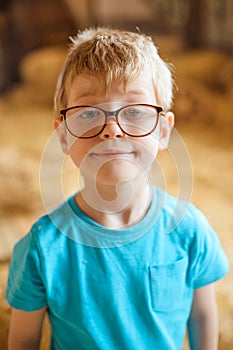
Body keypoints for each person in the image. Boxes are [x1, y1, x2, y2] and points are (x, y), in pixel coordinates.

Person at [6, 27, 229, 350]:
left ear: (163, 131)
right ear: (64, 137)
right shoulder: (42, 248)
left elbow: (203, 318)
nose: (112, 129)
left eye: (135, 112)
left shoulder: (190, 230)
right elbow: (23, 341)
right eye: (88, 113)